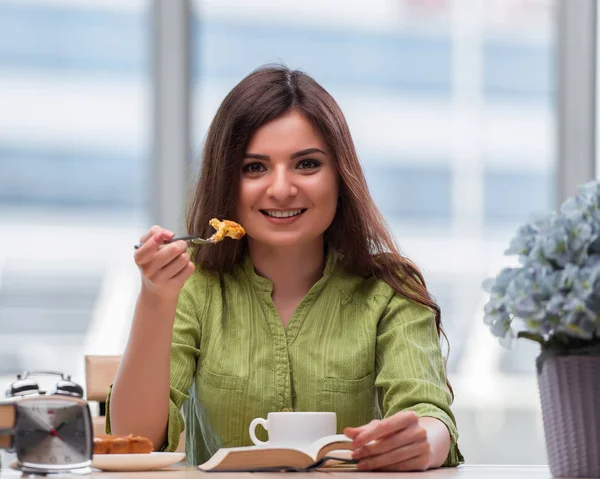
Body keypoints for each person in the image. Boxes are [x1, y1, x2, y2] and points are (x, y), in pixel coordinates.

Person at [107, 65, 464, 471]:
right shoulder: (195, 288)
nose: (281, 189)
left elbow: (430, 416)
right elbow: (134, 441)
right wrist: (156, 299)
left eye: (307, 164)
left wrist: (423, 439)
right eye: (254, 167)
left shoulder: (389, 290)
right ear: (227, 179)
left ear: (340, 176)